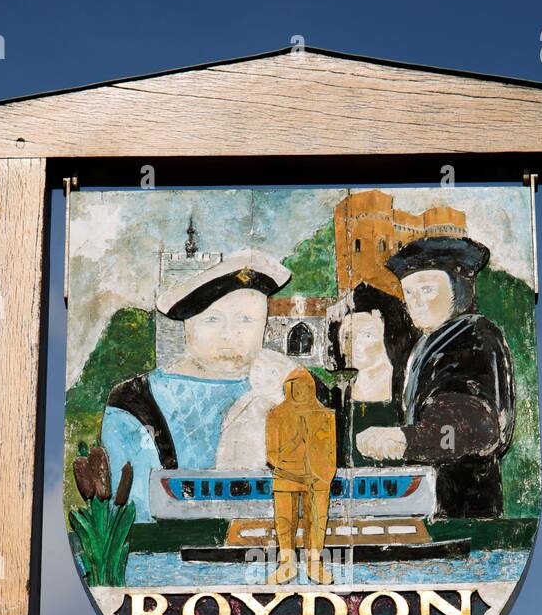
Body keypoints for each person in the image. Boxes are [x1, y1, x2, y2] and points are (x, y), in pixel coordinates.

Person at [101, 250, 290, 519]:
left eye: (246, 319)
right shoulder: (134, 402)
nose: (230, 334)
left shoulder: (293, 391)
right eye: (212, 320)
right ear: (187, 323)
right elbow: (134, 514)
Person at [360, 235, 515, 517]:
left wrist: (405, 440)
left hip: (463, 504)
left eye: (428, 290)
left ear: (459, 289)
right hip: (427, 500)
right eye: (409, 294)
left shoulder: (473, 338)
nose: (416, 302)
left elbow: (472, 430)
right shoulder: (427, 344)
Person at [326, 282, 417, 465]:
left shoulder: (410, 391)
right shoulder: (338, 395)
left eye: (367, 335)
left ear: (389, 336)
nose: (354, 344)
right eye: (347, 336)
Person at [265, 367, 337, 585]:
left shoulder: (325, 415)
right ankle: (287, 564)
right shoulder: (276, 415)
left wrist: (323, 475)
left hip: (317, 480)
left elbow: (330, 451)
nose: (300, 391)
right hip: (286, 477)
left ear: (312, 388)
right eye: (295, 387)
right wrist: (290, 468)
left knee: (316, 522)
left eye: (305, 387)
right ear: (288, 388)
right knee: (285, 522)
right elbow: (271, 454)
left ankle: (315, 564)